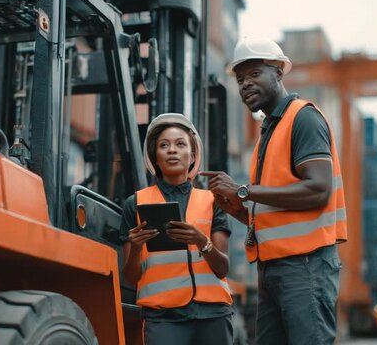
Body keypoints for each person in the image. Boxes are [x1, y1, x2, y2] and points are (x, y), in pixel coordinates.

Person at [201, 37, 347, 345]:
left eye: (255, 74)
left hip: (306, 267)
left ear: (278, 71)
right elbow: (272, 215)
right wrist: (235, 208)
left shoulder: (303, 118)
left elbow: (318, 191)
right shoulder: (268, 133)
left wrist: (242, 191)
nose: (246, 85)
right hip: (273, 270)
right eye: (240, 80)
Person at [119, 113, 234, 345]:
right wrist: (137, 246)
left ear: (192, 156)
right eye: (164, 145)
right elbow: (131, 278)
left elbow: (223, 268)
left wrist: (202, 241)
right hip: (163, 318)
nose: (172, 150)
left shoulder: (214, 201)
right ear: (155, 156)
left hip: (213, 316)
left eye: (180, 144)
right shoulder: (136, 204)